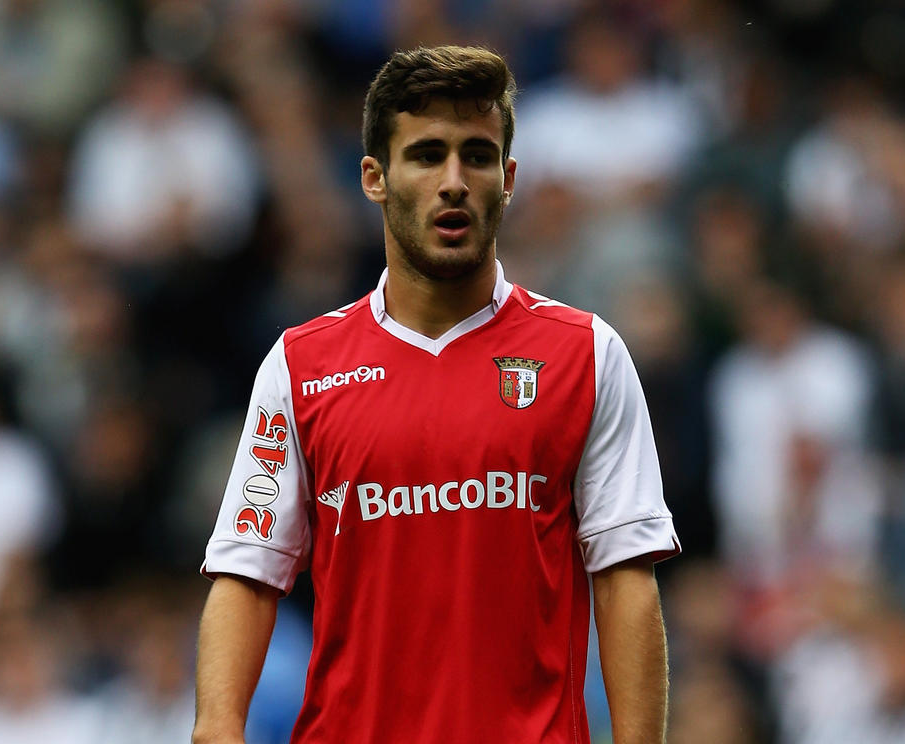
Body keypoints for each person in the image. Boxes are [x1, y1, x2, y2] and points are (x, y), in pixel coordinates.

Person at [193, 45, 680, 744]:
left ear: (508, 180)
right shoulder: (301, 366)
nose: (454, 180)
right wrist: (216, 727)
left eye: (477, 156)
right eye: (426, 155)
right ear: (375, 178)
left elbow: (626, 579)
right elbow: (247, 570)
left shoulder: (587, 356)